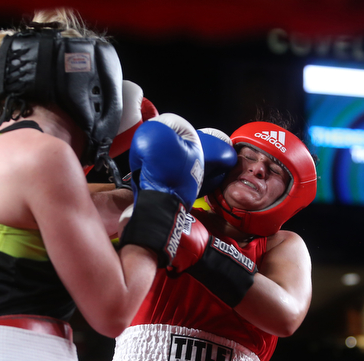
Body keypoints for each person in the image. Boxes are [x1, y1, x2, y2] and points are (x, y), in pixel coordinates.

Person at [0, 8, 204, 361]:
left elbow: (87, 217)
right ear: (90, 87)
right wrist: (164, 199)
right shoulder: (45, 155)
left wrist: (138, 195)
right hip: (12, 350)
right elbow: (113, 311)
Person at [112, 113, 318, 361]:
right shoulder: (173, 210)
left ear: (289, 194)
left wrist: (204, 250)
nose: (257, 168)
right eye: (249, 157)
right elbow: (75, 210)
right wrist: (143, 185)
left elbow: (287, 315)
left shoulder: (282, 244)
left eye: (274, 170)